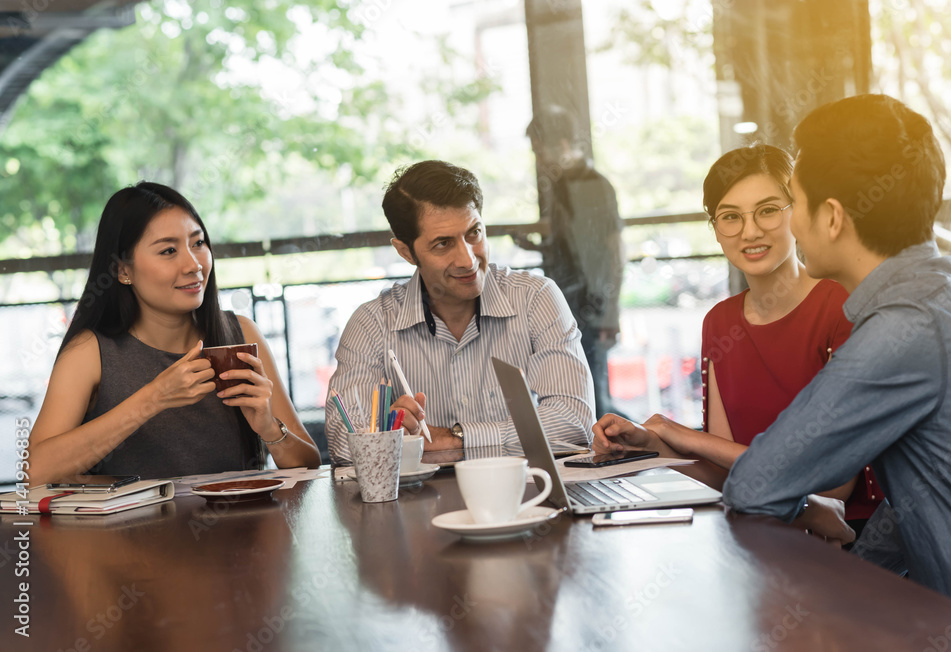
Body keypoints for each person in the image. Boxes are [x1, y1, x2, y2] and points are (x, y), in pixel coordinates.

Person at [628, 95, 951, 615]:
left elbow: (759, 484)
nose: (787, 227)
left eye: (790, 205)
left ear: (831, 217)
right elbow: (918, 494)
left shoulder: (901, 329)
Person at [594, 144, 882, 532]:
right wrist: (647, 444)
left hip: (844, 541)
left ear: (797, 213)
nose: (750, 231)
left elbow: (830, 488)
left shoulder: (843, 306)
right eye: (730, 217)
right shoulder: (720, 322)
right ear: (715, 229)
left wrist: (681, 435)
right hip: (761, 529)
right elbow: (722, 472)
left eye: (767, 210)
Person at [28, 183, 320, 483]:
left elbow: (308, 464)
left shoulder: (240, 333)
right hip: (132, 530)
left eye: (198, 243)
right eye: (169, 250)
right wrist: (153, 398)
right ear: (122, 270)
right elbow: (33, 474)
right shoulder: (90, 350)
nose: (193, 264)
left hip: (239, 527)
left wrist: (269, 427)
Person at [325, 160, 594, 465]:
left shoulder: (535, 298)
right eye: (443, 244)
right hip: (419, 508)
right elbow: (344, 447)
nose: (467, 260)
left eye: (474, 234)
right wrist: (386, 432)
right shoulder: (372, 323)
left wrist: (452, 441)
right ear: (405, 252)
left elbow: (574, 426)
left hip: (525, 498)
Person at [523, 105, 624, 419]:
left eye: (541, 152)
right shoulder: (566, 186)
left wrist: (608, 313)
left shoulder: (590, 187)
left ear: (563, 146)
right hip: (573, 304)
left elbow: (610, 253)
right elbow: (576, 250)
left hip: (588, 306)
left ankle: (641, 446)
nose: (540, 161)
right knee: (585, 392)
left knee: (593, 400)